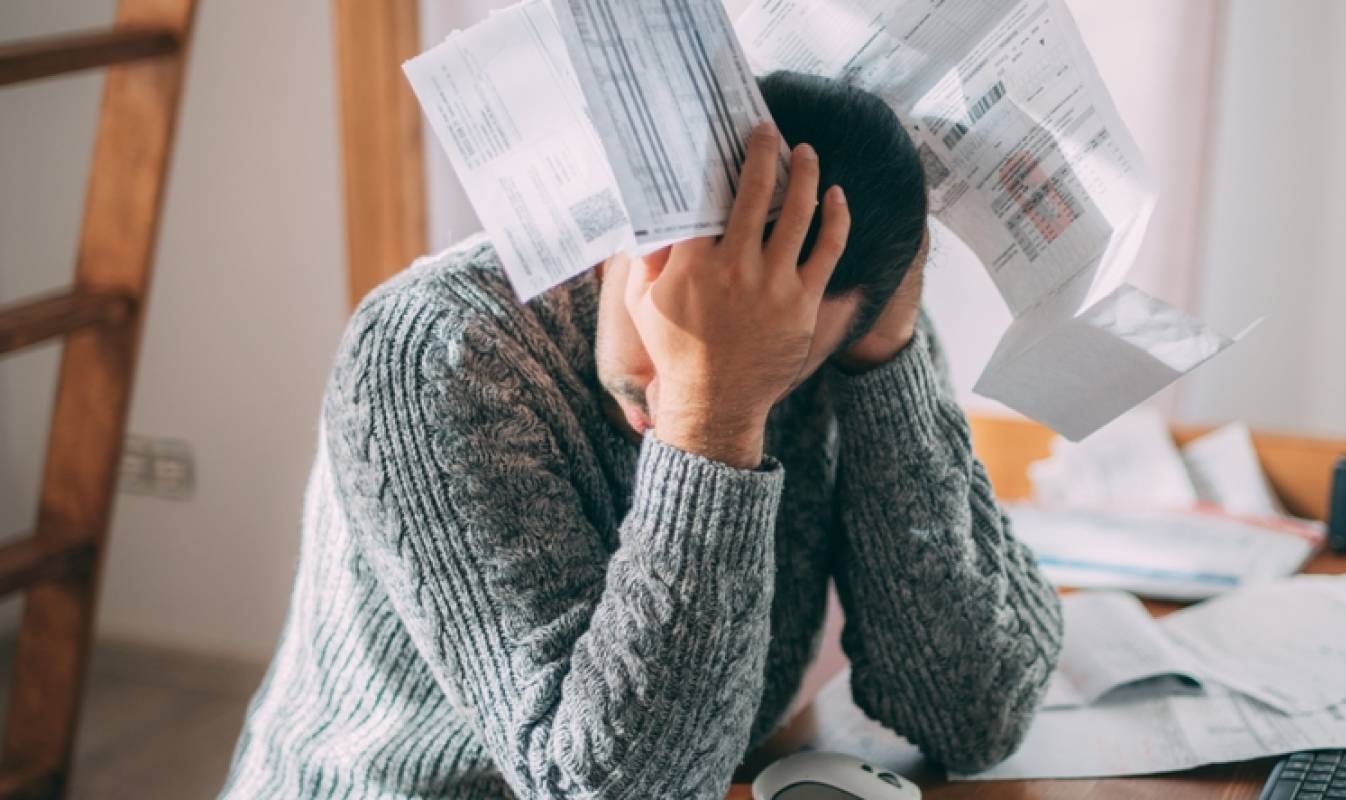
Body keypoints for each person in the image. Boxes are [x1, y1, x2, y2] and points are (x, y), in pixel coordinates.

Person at [220, 71, 1063, 798]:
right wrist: (713, 418)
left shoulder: (827, 326)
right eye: (681, 310)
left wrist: (888, 368)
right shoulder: (435, 349)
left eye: (776, 362)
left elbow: (973, 711)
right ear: (624, 216)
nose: (681, 373)